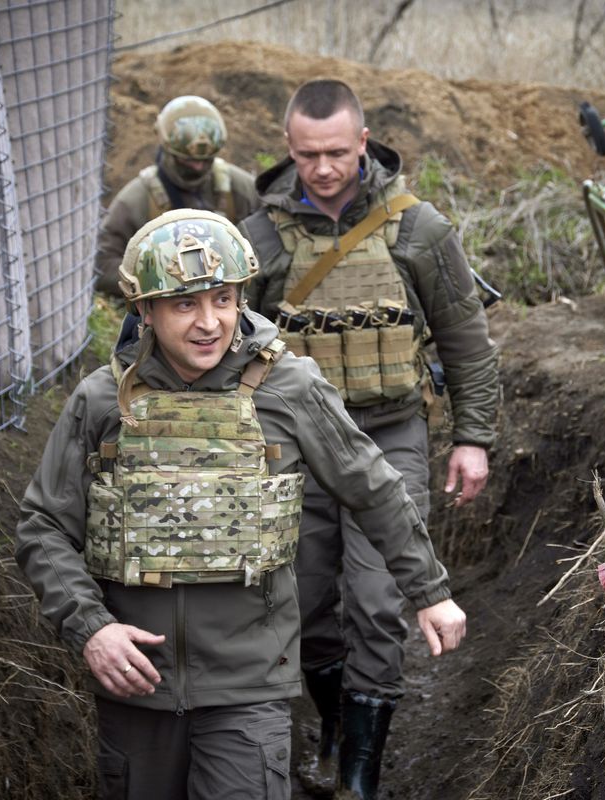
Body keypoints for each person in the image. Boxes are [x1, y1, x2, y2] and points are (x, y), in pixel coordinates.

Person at [14, 210, 466, 800]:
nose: (210, 323)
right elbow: (43, 526)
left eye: (223, 300)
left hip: (249, 687)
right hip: (135, 689)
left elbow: (374, 488)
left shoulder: (290, 388)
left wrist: (429, 592)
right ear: (144, 310)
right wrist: (92, 629)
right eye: (184, 305)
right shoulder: (103, 400)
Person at [238, 79, 499, 799]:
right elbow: (226, 347)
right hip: (293, 449)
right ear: (287, 149)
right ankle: (334, 729)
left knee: (380, 599)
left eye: (336, 153)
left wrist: (471, 438)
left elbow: (467, 342)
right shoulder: (257, 238)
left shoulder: (420, 230)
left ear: (363, 142)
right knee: (309, 601)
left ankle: (361, 776)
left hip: (390, 433)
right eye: (306, 154)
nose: (322, 169)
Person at [95, 95, 260, 297]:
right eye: (187, 161)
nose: (198, 167)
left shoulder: (240, 188)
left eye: (206, 160)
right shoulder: (136, 200)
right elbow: (101, 265)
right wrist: (157, 276)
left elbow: (267, 242)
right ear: (166, 148)